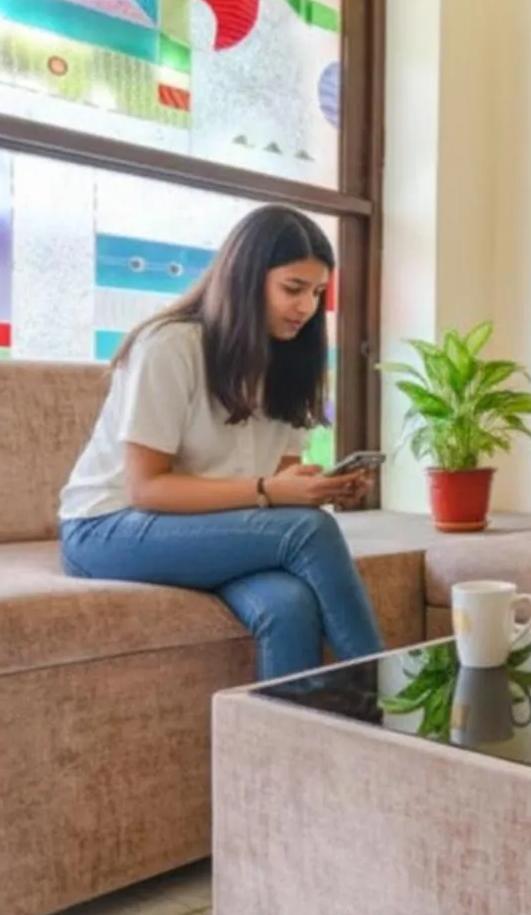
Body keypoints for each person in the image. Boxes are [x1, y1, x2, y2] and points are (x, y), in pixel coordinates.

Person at [59, 204, 386, 680]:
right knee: (309, 531)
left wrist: (315, 489)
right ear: (245, 278)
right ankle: (390, 695)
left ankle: (289, 752)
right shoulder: (170, 346)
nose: (306, 308)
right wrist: (273, 493)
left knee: (288, 605)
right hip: (106, 527)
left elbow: (278, 486)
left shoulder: (289, 364)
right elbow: (145, 488)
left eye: (317, 293)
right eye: (292, 289)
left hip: (211, 523)